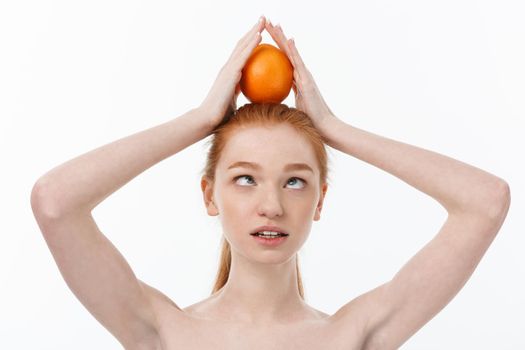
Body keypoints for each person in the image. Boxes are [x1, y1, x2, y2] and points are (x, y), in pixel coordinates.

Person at [30, 15, 511, 349]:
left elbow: (486, 202)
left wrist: (335, 129)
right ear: (208, 194)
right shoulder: (160, 331)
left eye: (296, 183)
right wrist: (199, 120)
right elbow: (55, 203)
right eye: (244, 179)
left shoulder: (352, 335)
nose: (272, 206)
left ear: (321, 200)